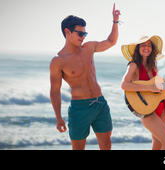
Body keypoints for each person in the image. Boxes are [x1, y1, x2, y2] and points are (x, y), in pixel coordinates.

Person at [49, 4, 120, 150]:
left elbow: (111, 42)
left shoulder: (88, 48)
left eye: (85, 34)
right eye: (80, 34)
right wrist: (58, 117)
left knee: (106, 145)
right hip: (80, 108)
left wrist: (115, 21)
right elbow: (55, 91)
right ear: (67, 32)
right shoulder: (58, 61)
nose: (83, 37)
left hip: (100, 103)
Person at [121, 35, 165, 150]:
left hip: (160, 106)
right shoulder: (133, 65)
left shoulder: (153, 67)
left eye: (149, 45)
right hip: (146, 109)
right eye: (143, 45)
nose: (146, 47)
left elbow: (160, 91)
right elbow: (124, 85)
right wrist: (150, 88)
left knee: (158, 144)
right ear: (137, 48)